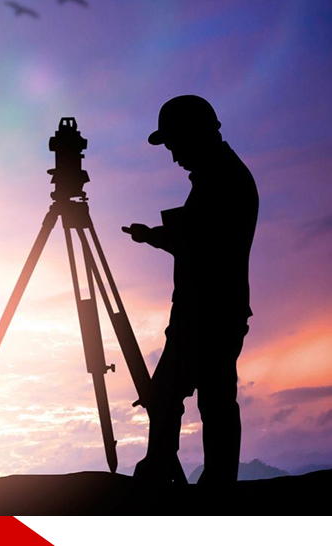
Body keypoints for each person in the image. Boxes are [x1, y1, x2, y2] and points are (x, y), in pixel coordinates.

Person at [122, 95, 258, 485]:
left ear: (194, 134)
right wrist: (156, 237)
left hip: (208, 314)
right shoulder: (220, 176)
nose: (173, 155)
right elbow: (201, 237)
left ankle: (169, 476)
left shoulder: (223, 179)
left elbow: (205, 244)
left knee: (174, 396)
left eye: (174, 144)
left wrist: (159, 238)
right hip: (209, 311)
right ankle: (204, 480)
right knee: (208, 399)